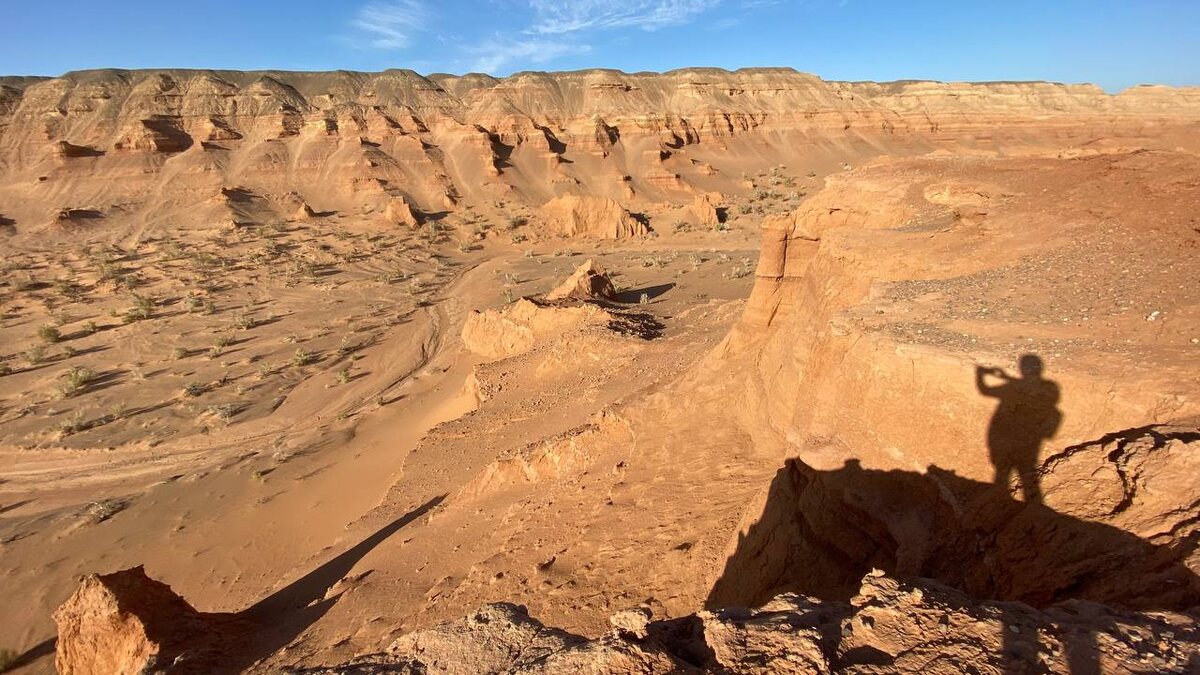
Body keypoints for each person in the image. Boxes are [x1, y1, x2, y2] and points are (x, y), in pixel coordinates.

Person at [975, 354, 1062, 504]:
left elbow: (984, 390)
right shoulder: (1045, 397)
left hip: (1009, 446)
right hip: (1029, 449)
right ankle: (1029, 510)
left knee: (1004, 476)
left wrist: (979, 374)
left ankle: (1004, 508)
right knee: (1027, 477)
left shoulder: (1013, 389)